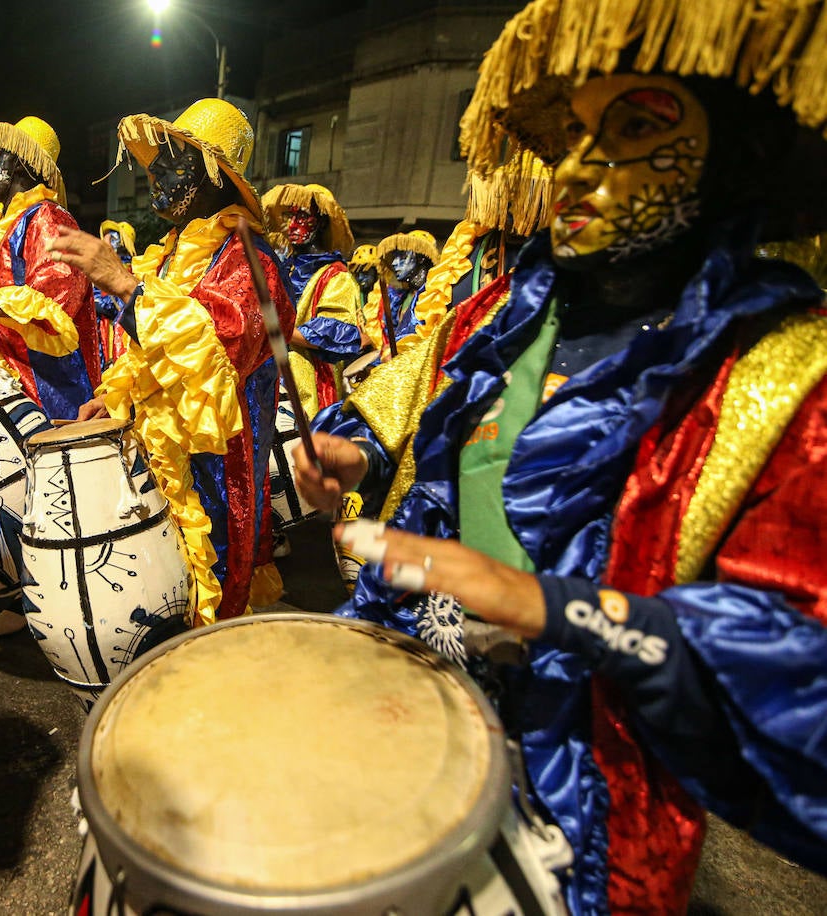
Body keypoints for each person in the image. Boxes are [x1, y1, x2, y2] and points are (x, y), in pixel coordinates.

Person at [295, 0, 827, 910]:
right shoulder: (492, 319)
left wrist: (545, 605)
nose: (575, 171)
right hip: (408, 697)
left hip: (583, 780)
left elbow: (797, 665)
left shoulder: (786, 379)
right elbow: (410, 419)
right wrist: (356, 460)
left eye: (632, 130)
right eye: (576, 135)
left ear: (731, 160)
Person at [50, 98, 296, 626]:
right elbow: (148, 352)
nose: (156, 174)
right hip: (158, 454)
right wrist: (110, 398)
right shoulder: (169, 252)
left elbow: (218, 348)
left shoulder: (250, 256)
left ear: (215, 177)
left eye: (173, 163)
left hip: (215, 464)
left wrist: (125, 284)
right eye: (154, 162)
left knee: (211, 594)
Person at [0, 116, 101, 422]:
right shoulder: (13, 225)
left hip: (52, 395)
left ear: (18, 162)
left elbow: (53, 297)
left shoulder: (48, 218)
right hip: (16, 386)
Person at [262, 183, 362, 420]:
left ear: (322, 221)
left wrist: (272, 328)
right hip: (269, 383)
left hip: (308, 392)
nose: (293, 223)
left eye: (303, 216)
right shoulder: (283, 269)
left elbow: (337, 334)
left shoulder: (336, 276)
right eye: (289, 215)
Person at [371, 229, 438, 359]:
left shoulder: (437, 294)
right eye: (394, 257)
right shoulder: (399, 298)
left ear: (421, 257)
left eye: (402, 256)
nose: (395, 263)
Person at [93, 219, 137, 370]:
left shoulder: (130, 268)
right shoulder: (101, 266)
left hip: (115, 330)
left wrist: (97, 304)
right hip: (100, 328)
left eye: (112, 237)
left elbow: (122, 304)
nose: (106, 241)